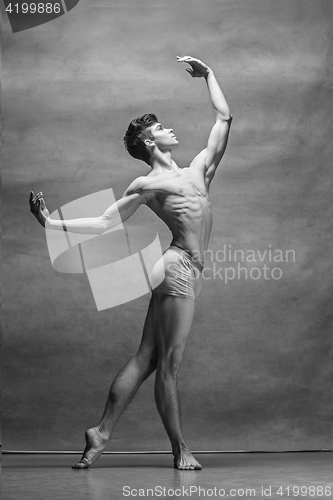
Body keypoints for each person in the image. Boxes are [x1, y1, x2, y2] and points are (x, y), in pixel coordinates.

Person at [29, 56, 232, 470]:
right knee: (168, 367)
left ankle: (100, 432)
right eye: (160, 128)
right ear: (148, 143)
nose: (169, 128)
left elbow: (225, 118)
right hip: (178, 270)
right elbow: (106, 220)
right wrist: (52, 222)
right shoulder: (148, 184)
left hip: (174, 269)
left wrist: (208, 75)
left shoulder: (198, 170)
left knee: (146, 358)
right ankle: (180, 450)